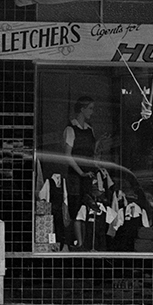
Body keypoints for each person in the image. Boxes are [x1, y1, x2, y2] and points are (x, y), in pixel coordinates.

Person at [63, 96, 100, 249]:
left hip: (89, 174)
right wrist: (80, 172)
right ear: (82, 109)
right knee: (76, 209)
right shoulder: (70, 129)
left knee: (89, 208)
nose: (92, 111)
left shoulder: (90, 130)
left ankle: (87, 243)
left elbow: (93, 153)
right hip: (75, 175)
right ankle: (79, 242)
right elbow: (67, 155)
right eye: (90, 108)